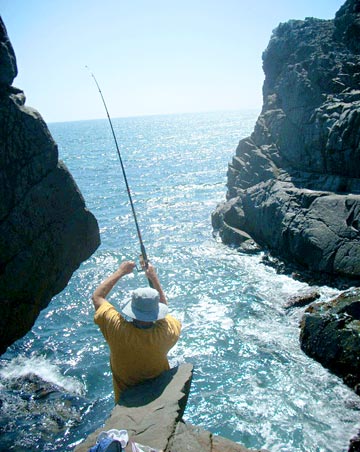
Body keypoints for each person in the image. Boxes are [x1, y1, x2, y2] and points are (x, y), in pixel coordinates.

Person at [92, 260, 181, 404]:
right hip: (158, 395)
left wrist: (121, 272)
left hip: (125, 400)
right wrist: (153, 277)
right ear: (156, 312)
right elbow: (164, 313)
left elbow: (97, 297)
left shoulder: (117, 329)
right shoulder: (165, 333)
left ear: (132, 309)